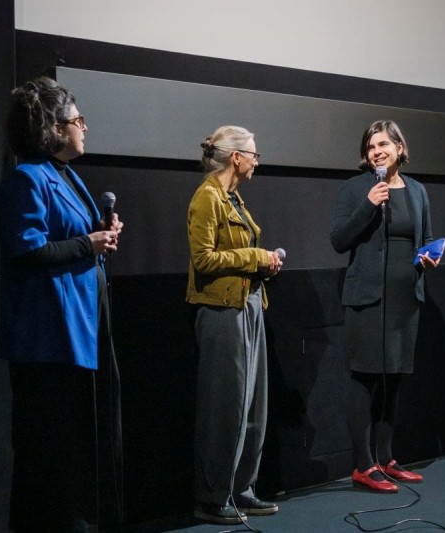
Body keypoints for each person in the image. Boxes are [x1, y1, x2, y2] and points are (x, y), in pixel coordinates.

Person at [0, 76, 125, 531]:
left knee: (82, 445)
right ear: (52, 128)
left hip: (82, 325)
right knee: (53, 451)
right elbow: (26, 249)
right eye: (77, 120)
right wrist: (88, 244)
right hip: (49, 336)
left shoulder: (64, 175)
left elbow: (75, 237)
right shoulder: (27, 179)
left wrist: (101, 237)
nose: (84, 128)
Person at [330, 119, 439, 493]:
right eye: (371, 146)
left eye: (383, 144)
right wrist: (368, 205)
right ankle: (363, 465)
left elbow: (424, 237)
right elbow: (339, 240)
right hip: (367, 298)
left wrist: (428, 256)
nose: (377, 151)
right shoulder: (357, 188)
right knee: (365, 378)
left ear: (399, 148)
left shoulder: (418, 191)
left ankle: (386, 459)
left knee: (393, 378)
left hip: (406, 298)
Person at [186, 125, 282, 524]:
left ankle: (241, 489)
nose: (257, 160)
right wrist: (256, 257)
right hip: (222, 311)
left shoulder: (234, 199)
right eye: (254, 154)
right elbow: (203, 259)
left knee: (252, 405)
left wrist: (267, 264)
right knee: (224, 407)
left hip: (249, 305)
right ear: (236, 157)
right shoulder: (207, 198)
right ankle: (212, 496)